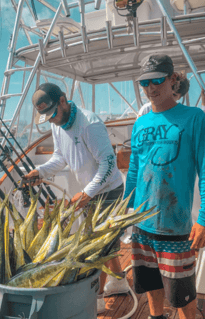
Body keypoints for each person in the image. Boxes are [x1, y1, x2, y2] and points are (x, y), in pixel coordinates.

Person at [23, 82, 129, 314]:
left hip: (108, 192)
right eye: (47, 117)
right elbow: (60, 157)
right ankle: (119, 280)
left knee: (98, 246)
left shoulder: (89, 124)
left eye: (53, 114)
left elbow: (109, 164)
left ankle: (97, 299)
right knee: (105, 243)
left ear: (63, 101)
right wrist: (40, 172)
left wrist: (87, 192)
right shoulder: (57, 124)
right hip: (90, 192)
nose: (52, 120)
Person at [124, 54, 205, 319]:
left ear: (172, 80)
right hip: (141, 223)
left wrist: (203, 218)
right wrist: (124, 209)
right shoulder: (140, 122)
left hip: (175, 226)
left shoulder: (194, 118)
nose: (151, 88)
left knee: (182, 295)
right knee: (150, 283)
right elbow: (135, 170)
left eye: (157, 80)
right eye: (144, 83)